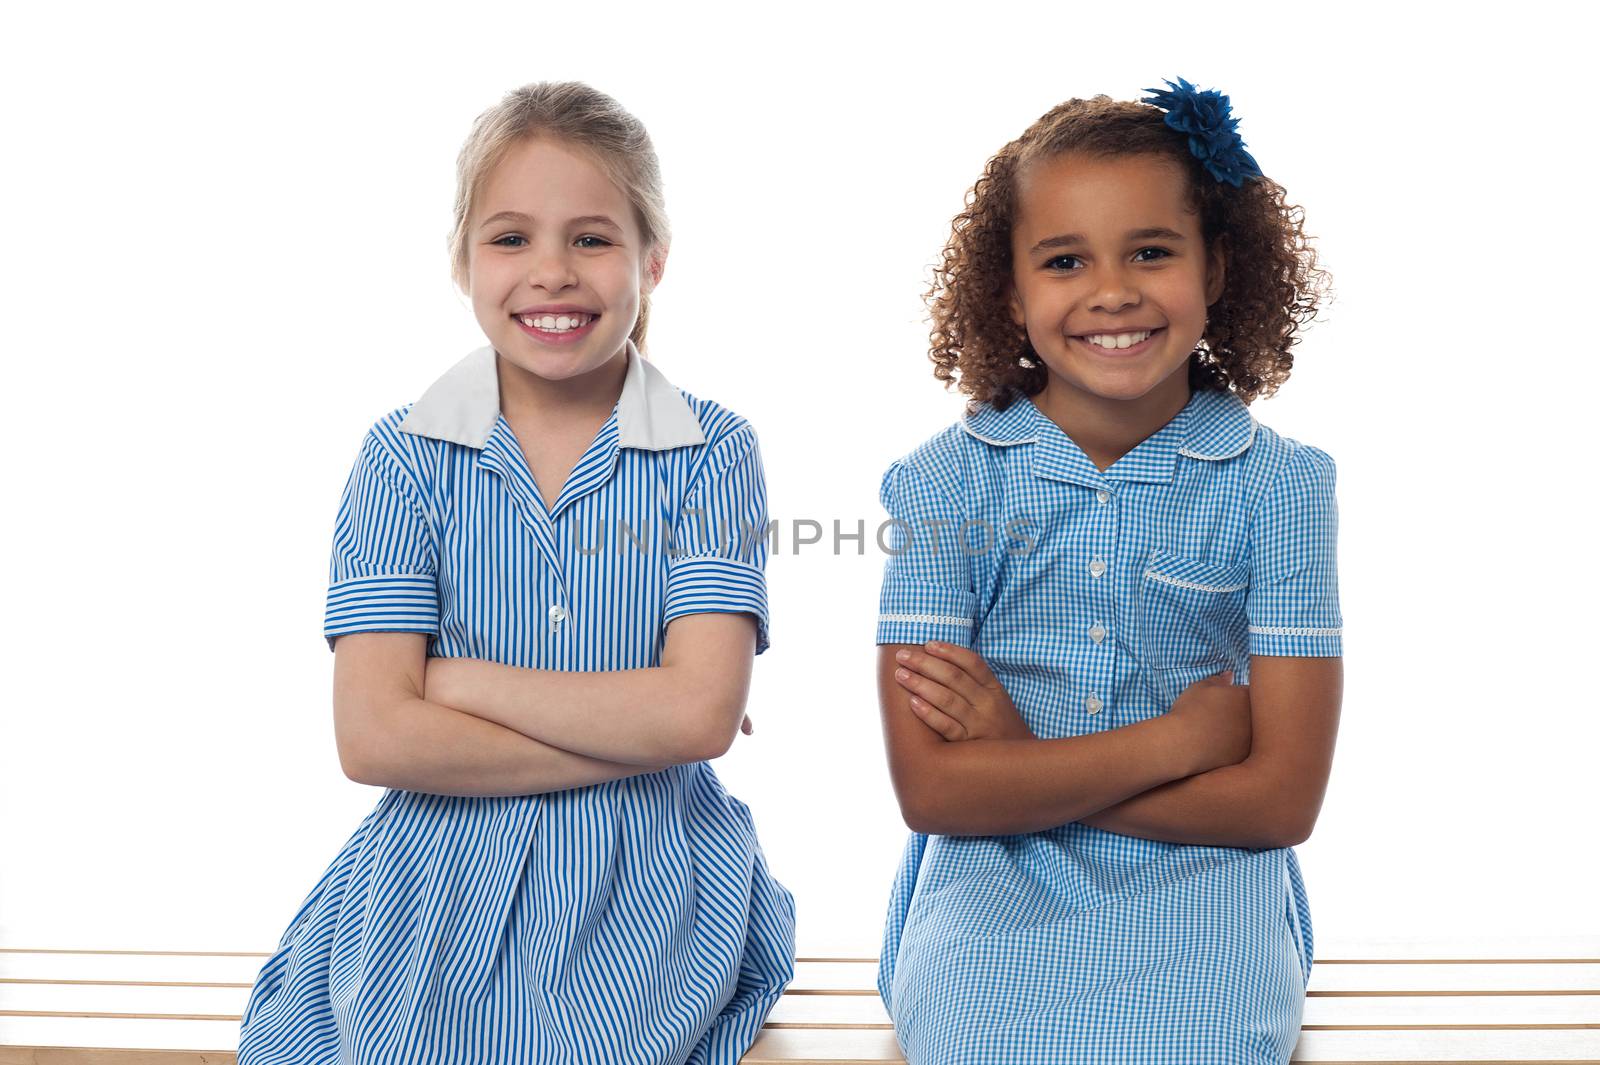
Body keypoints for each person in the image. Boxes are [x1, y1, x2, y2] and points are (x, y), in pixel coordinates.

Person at [236, 80, 795, 1065]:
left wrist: (456, 684)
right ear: (460, 261)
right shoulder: (403, 457)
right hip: (432, 882)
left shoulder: (710, 451)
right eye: (509, 239)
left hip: (646, 879)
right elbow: (371, 739)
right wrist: (645, 729)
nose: (551, 272)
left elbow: (699, 719)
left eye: (590, 237)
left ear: (651, 259)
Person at [873, 77, 1343, 1063]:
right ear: (1008, 290)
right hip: (990, 879)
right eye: (1063, 260)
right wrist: (1180, 740)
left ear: (1215, 269)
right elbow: (935, 794)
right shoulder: (940, 487)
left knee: (1206, 1044)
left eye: (1151, 251)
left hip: (1209, 874)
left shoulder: (1280, 487)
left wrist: (1014, 756)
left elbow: (1279, 803)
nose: (1111, 290)